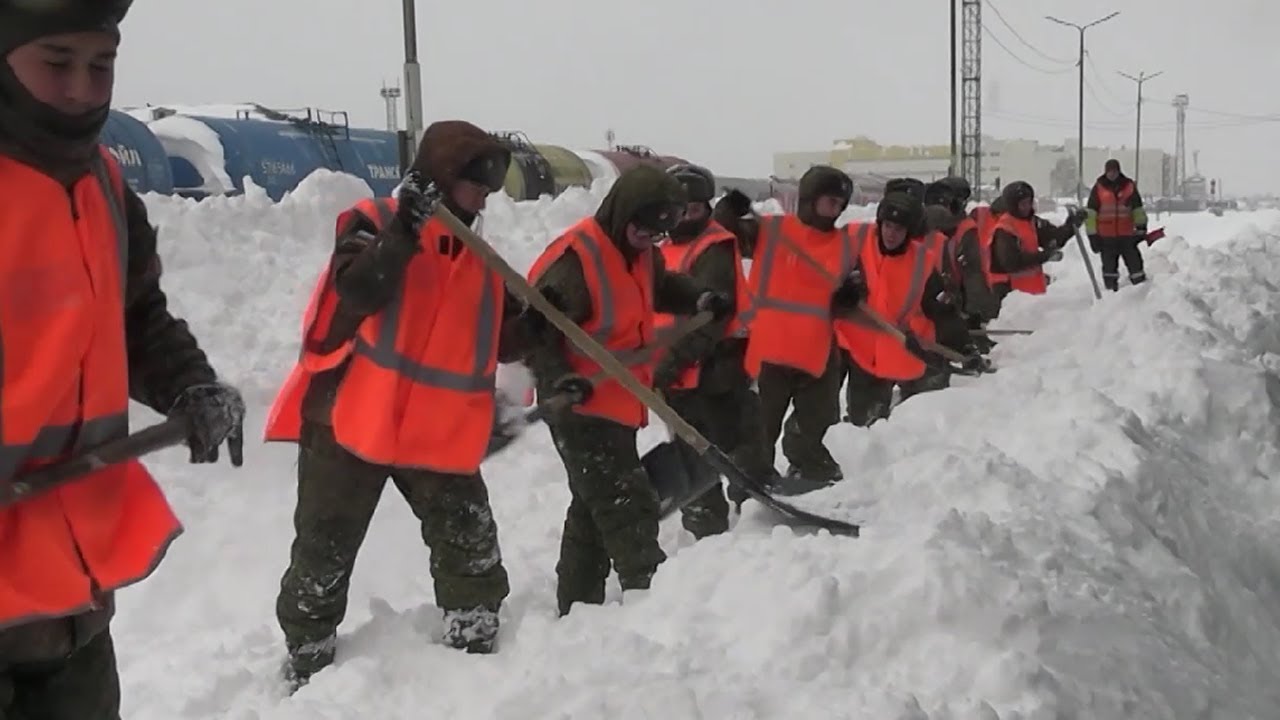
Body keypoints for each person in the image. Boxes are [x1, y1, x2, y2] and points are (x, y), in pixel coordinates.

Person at [0, 3, 245, 717]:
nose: (82, 88)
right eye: (56, 63)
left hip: (71, 592)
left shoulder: (105, 185)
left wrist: (189, 383)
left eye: (100, 65)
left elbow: (135, 315)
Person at [265, 120, 538, 688]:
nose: (484, 198)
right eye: (475, 185)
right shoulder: (374, 222)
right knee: (325, 547)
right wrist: (406, 230)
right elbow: (358, 289)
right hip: (348, 415)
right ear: (439, 177)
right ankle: (308, 656)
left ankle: (474, 635)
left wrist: (539, 323)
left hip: (431, 430)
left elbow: (503, 337)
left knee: (469, 538)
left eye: (489, 189)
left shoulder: (480, 257)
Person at [523, 165, 731, 617]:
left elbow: (661, 286)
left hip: (617, 400)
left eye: (657, 233)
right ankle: (652, 599)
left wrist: (699, 298)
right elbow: (537, 334)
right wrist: (560, 379)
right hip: (577, 404)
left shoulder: (639, 253)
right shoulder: (577, 260)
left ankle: (577, 605)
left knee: (592, 504)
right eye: (641, 227)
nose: (647, 239)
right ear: (622, 212)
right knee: (625, 503)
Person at [715, 166, 859, 489]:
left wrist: (851, 295)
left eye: (839, 205)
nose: (834, 211)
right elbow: (724, 232)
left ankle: (812, 474)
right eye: (829, 202)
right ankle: (749, 486)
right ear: (809, 200)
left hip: (816, 356)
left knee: (817, 424)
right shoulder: (770, 231)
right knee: (758, 429)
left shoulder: (845, 246)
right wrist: (729, 210)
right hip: (768, 353)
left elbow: (854, 292)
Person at [652, 163, 772, 536]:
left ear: (706, 208)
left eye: (696, 209)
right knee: (693, 455)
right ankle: (707, 526)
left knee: (738, 443)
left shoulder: (714, 247)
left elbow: (713, 319)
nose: (687, 216)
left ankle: (759, 515)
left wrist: (671, 361)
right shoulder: (663, 250)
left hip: (717, 368)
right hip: (676, 377)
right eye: (680, 209)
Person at [835, 192, 962, 426]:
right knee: (834, 413)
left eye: (899, 229)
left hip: (888, 345)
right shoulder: (856, 238)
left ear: (909, 232)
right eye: (888, 226)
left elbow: (938, 307)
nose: (891, 234)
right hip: (848, 341)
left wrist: (962, 343)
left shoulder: (921, 261)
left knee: (874, 420)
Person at [989, 181, 1085, 296]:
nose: (1027, 207)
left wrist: (1072, 224)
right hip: (1011, 295)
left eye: (1029, 202)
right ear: (1013, 205)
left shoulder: (1033, 222)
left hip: (1032, 293)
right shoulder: (1005, 229)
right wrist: (1045, 256)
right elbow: (1011, 262)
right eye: (1022, 204)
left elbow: (1054, 239)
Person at [1086, 158, 1149, 290]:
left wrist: (1141, 226)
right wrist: (1092, 235)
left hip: (1127, 236)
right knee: (1109, 268)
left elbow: (1137, 209)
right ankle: (1111, 292)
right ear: (1105, 172)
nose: (1112, 174)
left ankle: (1141, 291)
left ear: (1119, 171)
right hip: (1106, 237)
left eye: (1114, 171)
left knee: (1135, 264)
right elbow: (1091, 214)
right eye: (1109, 172)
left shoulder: (1129, 186)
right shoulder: (1098, 188)